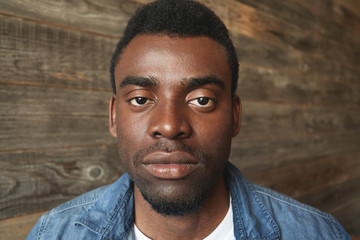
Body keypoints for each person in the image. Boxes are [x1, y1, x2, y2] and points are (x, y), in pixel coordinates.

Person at [27, 0, 351, 239]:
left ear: (235, 117)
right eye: (141, 100)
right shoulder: (54, 233)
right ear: (114, 116)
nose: (168, 126)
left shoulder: (318, 233)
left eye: (201, 100)